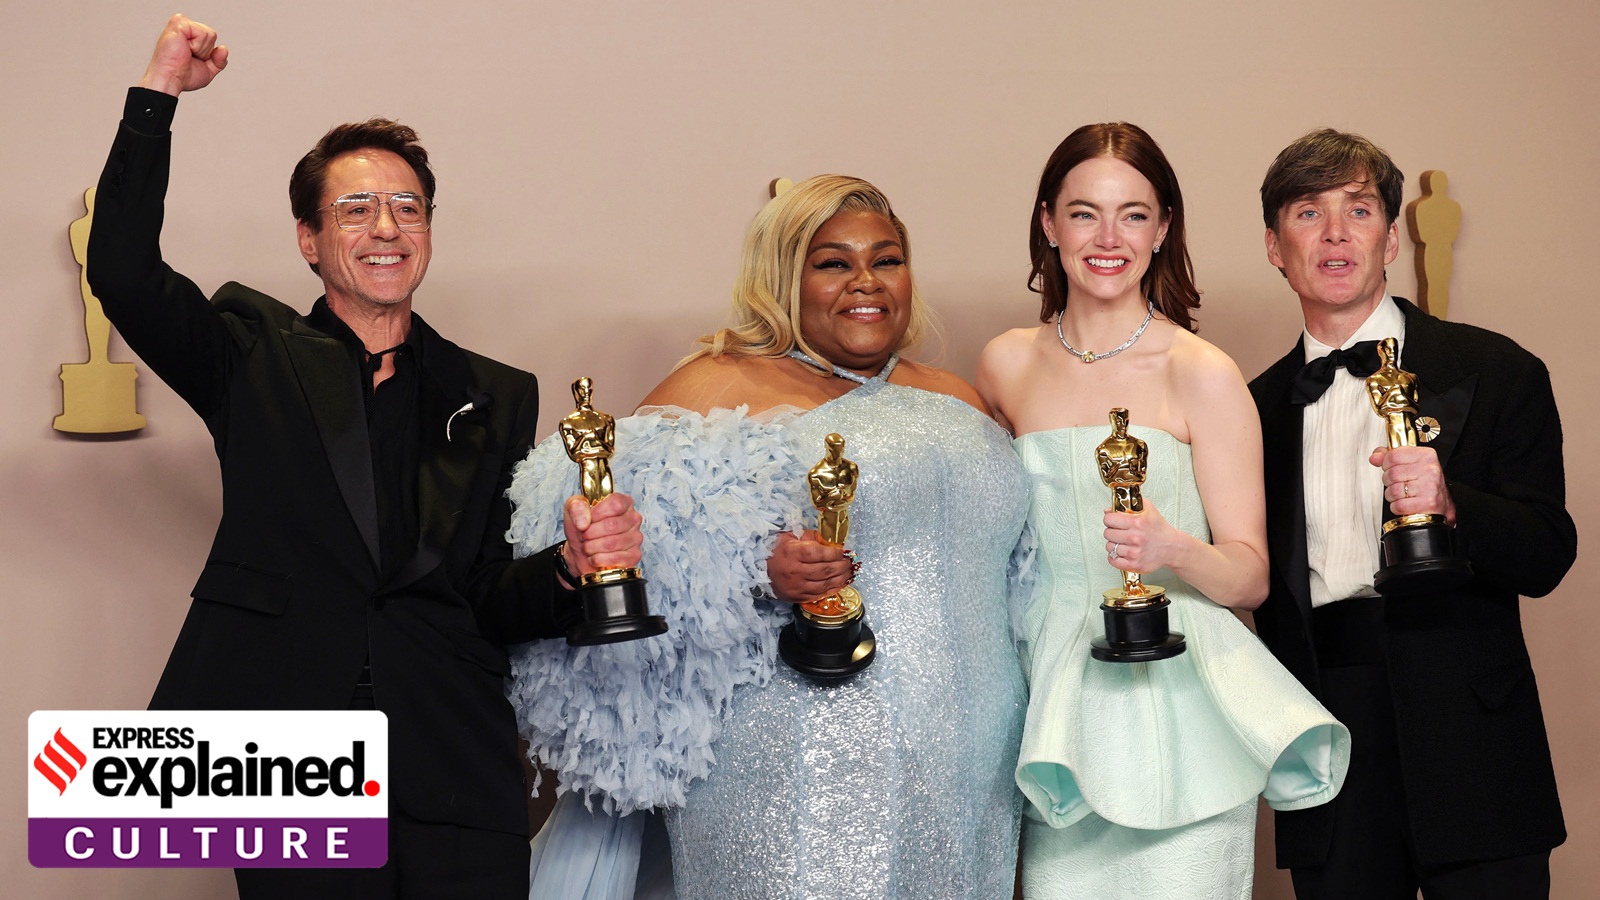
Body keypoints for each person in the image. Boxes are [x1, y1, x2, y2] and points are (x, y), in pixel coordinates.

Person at [85, 15, 643, 899]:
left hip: (454, 760)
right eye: (356, 209)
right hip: (290, 767)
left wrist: (572, 572)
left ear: (427, 232)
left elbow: (487, 592)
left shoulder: (497, 391)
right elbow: (119, 268)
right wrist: (157, 95)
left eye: (407, 207)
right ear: (310, 241)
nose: (386, 226)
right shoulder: (248, 359)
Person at [505, 175, 1028, 898]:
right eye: (833, 263)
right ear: (783, 278)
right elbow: (608, 547)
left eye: (887, 258)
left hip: (973, 760)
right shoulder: (720, 383)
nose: (865, 282)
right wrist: (754, 567)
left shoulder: (956, 396)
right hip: (795, 758)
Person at [976, 123, 1349, 899]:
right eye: (1084, 213)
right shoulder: (1004, 363)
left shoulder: (1202, 372)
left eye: (1134, 214)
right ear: (1048, 223)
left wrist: (1171, 547)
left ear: (1165, 227)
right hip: (1055, 701)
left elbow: (1249, 579)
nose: (1109, 238)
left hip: (1182, 703)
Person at [1249, 128, 1576, 899]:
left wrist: (1455, 503)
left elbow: (1549, 553)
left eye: (1358, 210)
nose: (1334, 234)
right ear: (1275, 247)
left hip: (1473, 730)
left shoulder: (1498, 369)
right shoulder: (1250, 408)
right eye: (1307, 213)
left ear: (1391, 236)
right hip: (1327, 730)